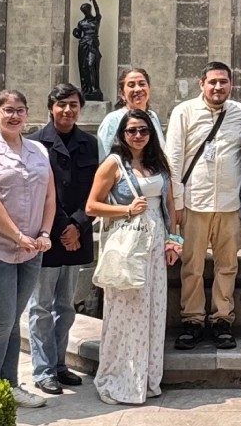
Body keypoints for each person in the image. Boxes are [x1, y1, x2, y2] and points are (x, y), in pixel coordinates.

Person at [0, 89, 55, 408]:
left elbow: (49, 196)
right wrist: (17, 235)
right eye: (8, 110)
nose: (14, 115)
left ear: (27, 114)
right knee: (0, 320)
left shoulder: (38, 151)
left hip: (30, 249)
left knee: (12, 319)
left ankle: (10, 386)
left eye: (19, 110)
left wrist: (44, 232)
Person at [85, 109, 182, 405]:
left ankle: (146, 379)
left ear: (151, 134)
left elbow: (169, 205)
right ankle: (119, 378)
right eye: (132, 131)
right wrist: (126, 209)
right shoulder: (113, 164)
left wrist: (173, 240)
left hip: (155, 242)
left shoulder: (157, 164)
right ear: (122, 134)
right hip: (128, 242)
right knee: (126, 311)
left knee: (152, 310)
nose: (138, 136)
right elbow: (91, 206)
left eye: (143, 130)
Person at [166, 61, 241, 350]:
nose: (218, 87)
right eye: (212, 82)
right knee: (193, 266)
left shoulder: (240, 113)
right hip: (194, 203)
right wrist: (176, 202)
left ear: (231, 85)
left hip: (229, 203)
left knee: (228, 265)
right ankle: (192, 320)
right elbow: (173, 159)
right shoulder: (184, 112)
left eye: (223, 82)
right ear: (202, 84)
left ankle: (223, 319)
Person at [26, 83, 99, 396]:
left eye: (73, 105)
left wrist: (79, 225)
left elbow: (97, 191)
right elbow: (36, 192)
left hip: (77, 236)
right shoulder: (34, 144)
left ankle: (58, 365)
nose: (68, 110)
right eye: (61, 105)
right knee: (40, 306)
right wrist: (61, 229)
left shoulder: (90, 144)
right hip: (46, 236)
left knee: (66, 307)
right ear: (50, 107)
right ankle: (42, 370)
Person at [97, 68, 165, 158]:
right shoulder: (112, 120)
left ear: (149, 88)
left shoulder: (153, 117)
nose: (138, 89)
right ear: (122, 93)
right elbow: (104, 158)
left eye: (142, 84)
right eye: (131, 85)